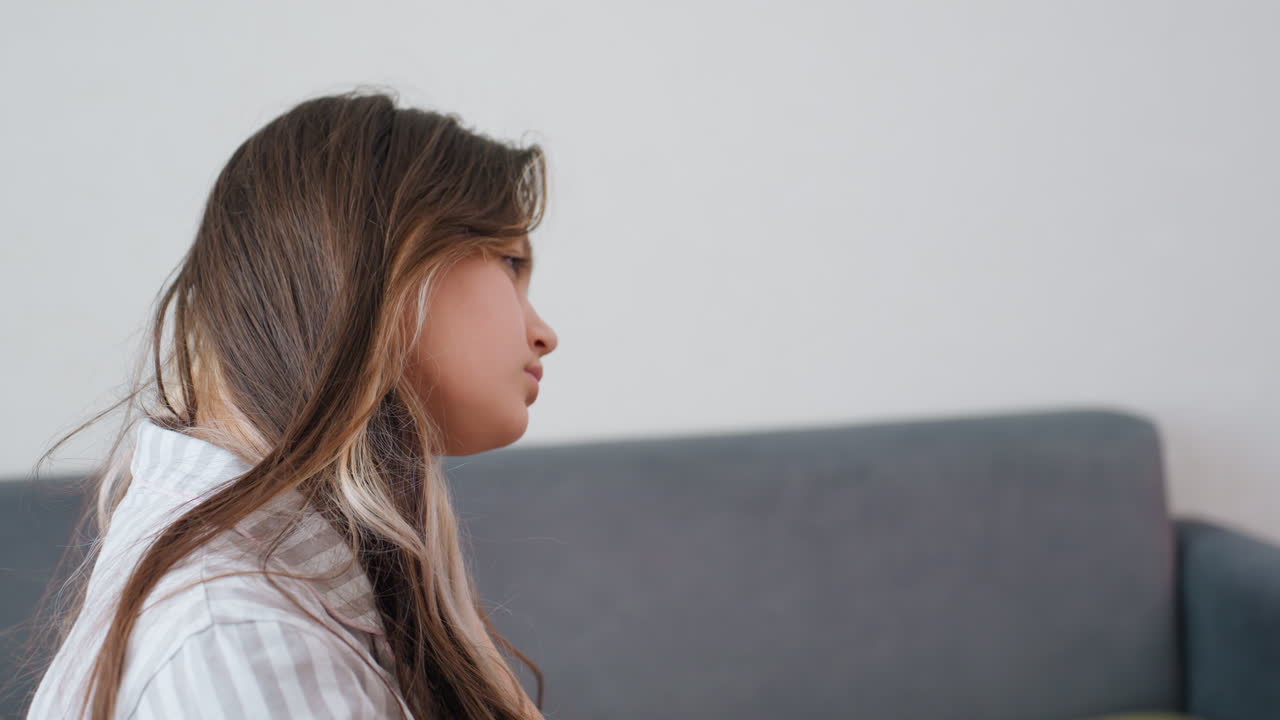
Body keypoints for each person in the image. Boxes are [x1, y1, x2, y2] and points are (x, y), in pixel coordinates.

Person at [23, 88, 559, 719]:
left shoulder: (331, 577)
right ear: (388, 260)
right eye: (510, 262)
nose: (544, 331)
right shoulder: (239, 644)